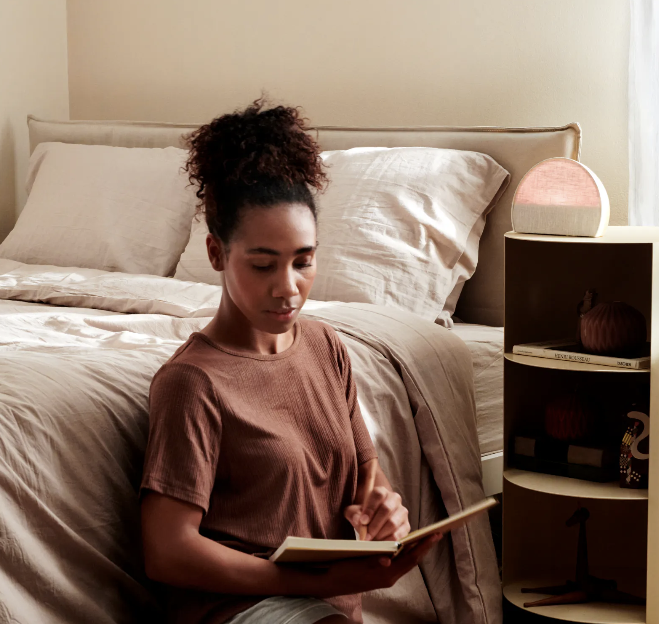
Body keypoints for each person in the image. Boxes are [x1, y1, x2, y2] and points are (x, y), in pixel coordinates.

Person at [139, 100, 441, 624]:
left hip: (324, 607)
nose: (288, 288)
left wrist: (385, 511)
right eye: (263, 265)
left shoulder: (327, 347)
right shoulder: (193, 382)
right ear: (216, 254)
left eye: (304, 262)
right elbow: (167, 551)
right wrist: (308, 582)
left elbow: (366, 477)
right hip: (240, 609)